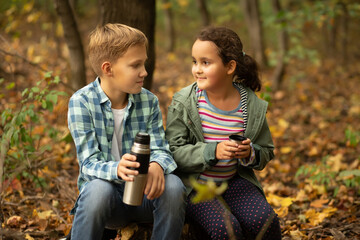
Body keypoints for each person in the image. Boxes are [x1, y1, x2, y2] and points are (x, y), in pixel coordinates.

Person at [67, 23, 186, 240]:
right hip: (108, 201)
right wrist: (117, 168)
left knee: (174, 186)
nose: (145, 72)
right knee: (97, 191)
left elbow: (161, 148)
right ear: (108, 69)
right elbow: (88, 163)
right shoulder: (82, 102)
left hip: (145, 196)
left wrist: (157, 164)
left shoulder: (148, 101)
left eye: (144, 63)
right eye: (136, 65)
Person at [165, 26, 282, 239]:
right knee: (226, 229)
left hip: (234, 182)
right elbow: (173, 151)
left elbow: (266, 151)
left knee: (265, 221)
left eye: (205, 62)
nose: (197, 69)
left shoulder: (251, 106)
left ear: (230, 67)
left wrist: (249, 153)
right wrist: (213, 151)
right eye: (195, 61)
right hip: (197, 187)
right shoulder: (185, 103)